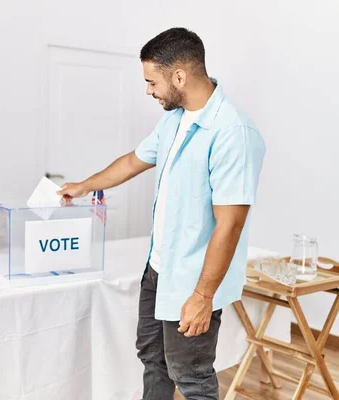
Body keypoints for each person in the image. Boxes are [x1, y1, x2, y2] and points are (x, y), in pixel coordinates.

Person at [58, 27, 265, 399]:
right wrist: (83, 185)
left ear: (179, 76)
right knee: (153, 358)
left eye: (152, 81)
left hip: (193, 279)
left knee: (192, 376)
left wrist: (202, 297)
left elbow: (230, 224)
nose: (148, 91)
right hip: (159, 270)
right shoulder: (174, 119)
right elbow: (132, 162)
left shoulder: (232, 131)